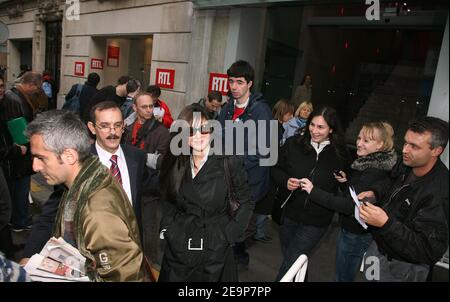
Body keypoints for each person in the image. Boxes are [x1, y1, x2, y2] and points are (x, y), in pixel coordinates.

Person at [25, 110, 149, 281]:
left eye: (41, 158)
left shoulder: (97, 211)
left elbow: (126, 276)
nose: (35, 167)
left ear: (69, 156)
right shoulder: (84, 180)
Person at [158, 104, 253, 281]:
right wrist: (168, 228)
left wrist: (227, 236)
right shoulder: (176, 159)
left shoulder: (228, 160)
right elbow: (167, 197)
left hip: (214, 248)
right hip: (179, 246)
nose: (199, 135)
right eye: (191, 131)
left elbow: (246, 202)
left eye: (204, 128)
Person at [299, 121, 397, 281]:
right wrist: (345, 183)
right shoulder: (368, 165)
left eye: (366, 140)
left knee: (343, 277)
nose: (359, 143)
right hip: (355, 231)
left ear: (380, 145)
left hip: (355, 233)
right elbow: (355, 196)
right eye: (359, 138)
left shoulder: (372, 171)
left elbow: (348, 206)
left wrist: (313, 191)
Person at [358, 116, 449, 282]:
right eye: (406, 142)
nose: (405, 149)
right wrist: (375, 192)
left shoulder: (441, 193)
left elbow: (428, 251)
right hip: (379, 249)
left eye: (414, 146)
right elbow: (390, 181)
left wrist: (386, 224)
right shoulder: (407, 163)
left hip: (404, 268)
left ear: (436, 151)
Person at [271, 105, 351, 280]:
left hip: (317, 219)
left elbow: (347, 189)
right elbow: (275, 170)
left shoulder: (340, 153)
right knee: (295, 260)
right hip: (289, 213)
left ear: (331, 129)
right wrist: (286, 181)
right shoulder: (293, 144)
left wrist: (344, 181)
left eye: (321, 127)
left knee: (291, 261)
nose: (314, 130)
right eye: (312, 125)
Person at [218, 60, 273, 264]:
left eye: (239, 82)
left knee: (240, 228)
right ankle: (234, 256)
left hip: (250, 181)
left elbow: (263, 151)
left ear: (249, 84)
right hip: (229, 178)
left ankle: (237, 258)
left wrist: (232, 160)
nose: (233, 86)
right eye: (231, 81)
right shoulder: (228, 109)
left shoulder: (261, 111)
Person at [0, 71, 42, 232]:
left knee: (17, 190)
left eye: (2, 86)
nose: (36, 91)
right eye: (36, 88)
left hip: (16, 154)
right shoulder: (14, 99)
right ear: (31, 84)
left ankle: (17, 219)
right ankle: (19, 220)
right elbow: (17, 130)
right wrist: (21, 147)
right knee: (19, 189)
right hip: (17, 155)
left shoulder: (12, 97)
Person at [122, 92, 170, 170]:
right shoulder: (126, 127)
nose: (149, 110)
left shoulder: (162, 132)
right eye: (144, 107)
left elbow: (163, 162)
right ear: (134, 107)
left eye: (151, 106)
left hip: (147, 177)